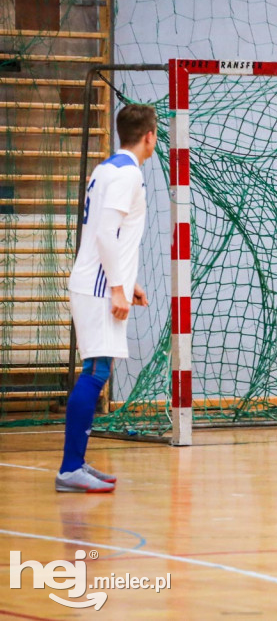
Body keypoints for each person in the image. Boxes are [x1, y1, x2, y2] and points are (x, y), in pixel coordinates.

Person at [56, 104, 158, 493]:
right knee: (96, 371)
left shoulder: (106, 169)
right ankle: (69, 469)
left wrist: (126, 281)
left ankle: (77, 462)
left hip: (101, 281)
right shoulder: (127, 174)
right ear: (149, 135)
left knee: (99, 371)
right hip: (99, 287)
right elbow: (104, 233)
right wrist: (116, 286)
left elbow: (110, 234)